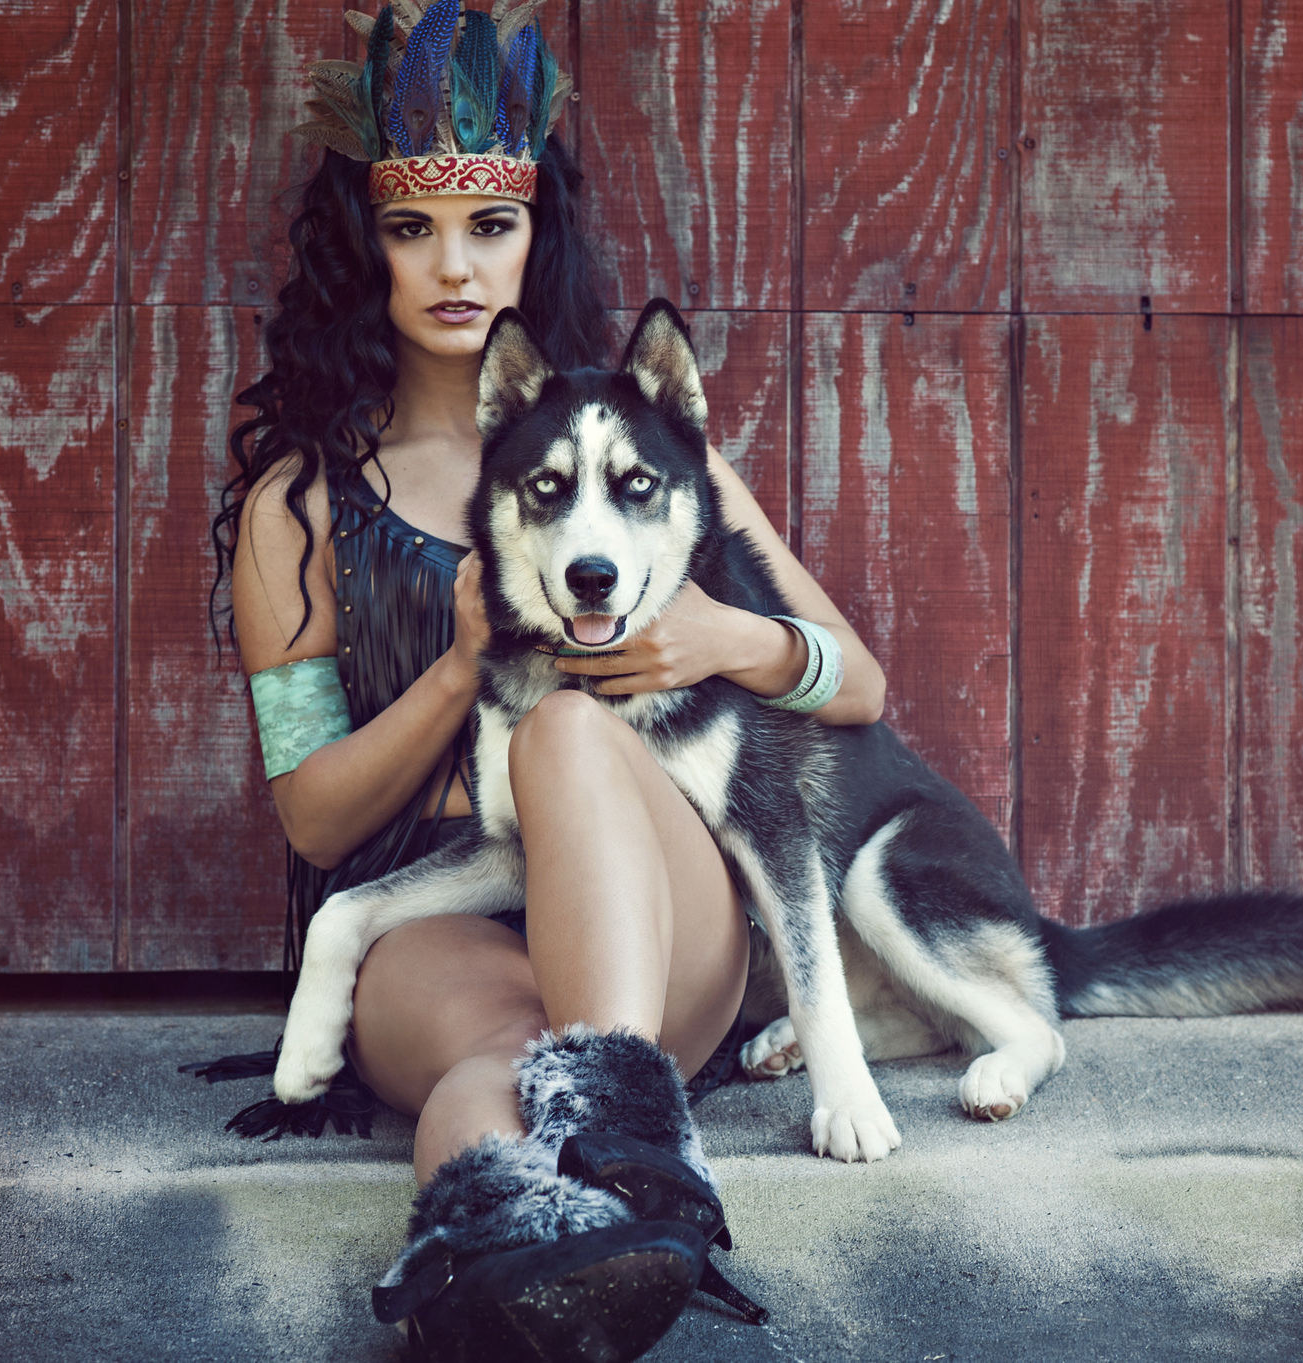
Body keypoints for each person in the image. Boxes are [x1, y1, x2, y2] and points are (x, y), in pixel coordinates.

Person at [198, 3, 885, 1357]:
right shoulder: (304, 509)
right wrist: (464, 666)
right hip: (433, 919)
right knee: (498, 1062)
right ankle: (493, 1272)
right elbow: (315, 820)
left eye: (490, 226)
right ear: (367, 248)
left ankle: (626, 1144)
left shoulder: (644, 463)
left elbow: (855, 681)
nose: (454, 265)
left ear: (535, 236)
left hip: (657, 906)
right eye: (413, 229)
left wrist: (725, 638)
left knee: (567, 736)